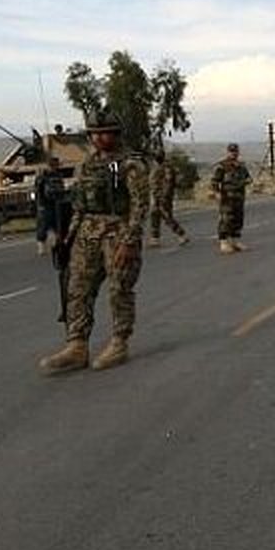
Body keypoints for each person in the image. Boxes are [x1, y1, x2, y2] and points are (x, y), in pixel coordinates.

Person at [38, 110, 149, 374]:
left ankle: (119, 342)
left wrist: (129, 241)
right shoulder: (88, 164)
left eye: (104, 133)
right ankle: (77, 346)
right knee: (78, 289)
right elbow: (80, 205)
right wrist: (69, 237)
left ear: (116, 134)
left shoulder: (130, 164)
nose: (99, 138)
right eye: (94, 134)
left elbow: (140, 205)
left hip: (117, 233)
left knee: (119, 289)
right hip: (87, 234)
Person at [211, 143, 251, 254]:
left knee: (238, 219)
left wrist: (246, 181)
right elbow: (215, 181)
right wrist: (217, 193)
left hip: (239, 197)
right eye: (231, 151)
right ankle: (223, 242)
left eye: (235, 151)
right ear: (228, 152)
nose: (234, 153)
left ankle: (235, 241)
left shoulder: (241, 166)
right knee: (226, 219)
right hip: (227, 197)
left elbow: (248, 178)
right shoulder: (222, 166)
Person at [148, 149, 189, 248]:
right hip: (155, 195)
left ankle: (181, 235)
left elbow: (168, 183)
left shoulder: (167, 168)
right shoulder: (155, 166)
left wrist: (164, 196)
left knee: (167, 217)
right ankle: (155, 239)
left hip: (163, 196)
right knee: (154, 216)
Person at [34, 155, 65, 255]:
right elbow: (38, 191)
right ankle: (41, 246)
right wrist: (40, 205)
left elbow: (61, 188)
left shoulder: (58, 175)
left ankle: (56, 244)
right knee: (43, 225)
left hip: (56, 203)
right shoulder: (42, 177)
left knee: (57, 224)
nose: (55, 167)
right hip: (45, 203)